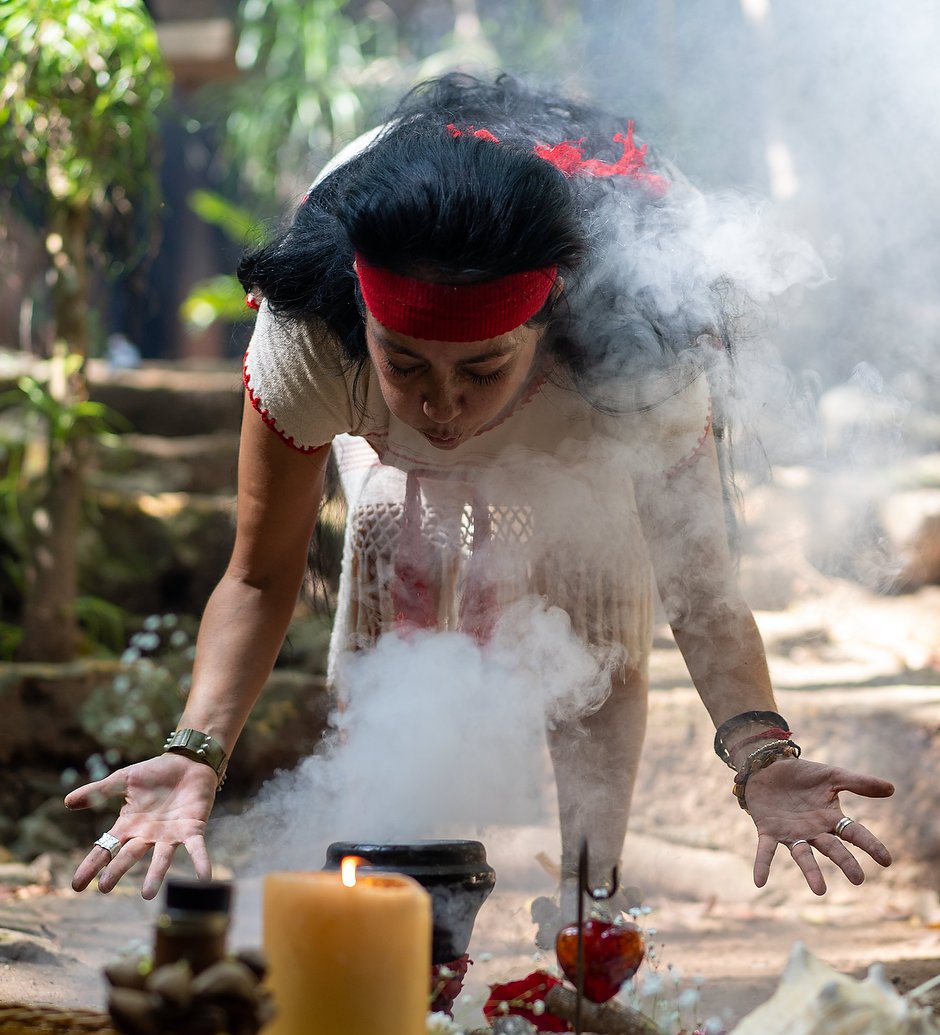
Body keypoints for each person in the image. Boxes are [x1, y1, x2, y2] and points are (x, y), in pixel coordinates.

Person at [65, 73, 894, 913]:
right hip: (390, 435)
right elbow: (256, 575)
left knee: (596, 590)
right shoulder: (311, 336)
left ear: (548, 321)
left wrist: (764, 755)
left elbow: (703, 594)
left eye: (483, 368)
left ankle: (589, 911)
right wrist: (196, 751)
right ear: (364, 321)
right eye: (407, 364)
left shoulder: (636, 360)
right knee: (387, 529)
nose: (441, 407)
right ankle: (389, 897)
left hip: (581, 418)